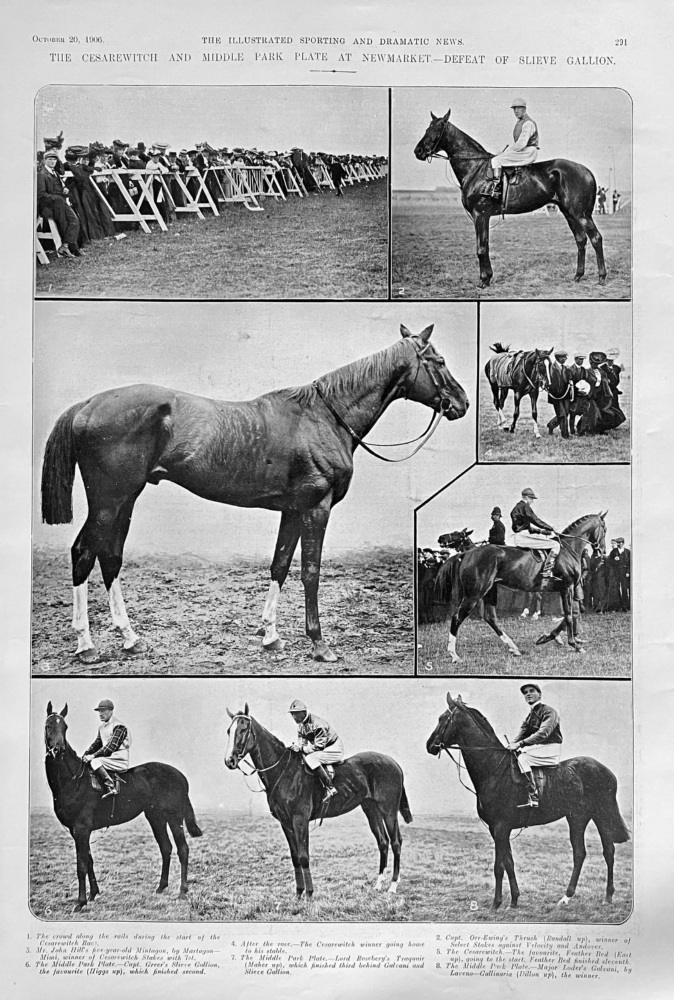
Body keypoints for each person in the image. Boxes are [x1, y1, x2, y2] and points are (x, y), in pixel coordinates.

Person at [507, 683, 562, 809]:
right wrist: (511, 745)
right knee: (515, 754)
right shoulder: (530, 715)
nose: (528, 694)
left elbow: (543, 733)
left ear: (540, 695)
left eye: (532, 691)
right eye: (525, 693)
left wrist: (520, 744)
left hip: (550, 747)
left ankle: (533, 796)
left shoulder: (549, 711)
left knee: (522, 759)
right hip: (538, 748)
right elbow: (521, 734)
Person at [288, 699, 344, 801]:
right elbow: (303, 745)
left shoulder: (318, 724)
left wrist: (300, 748)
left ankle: (330, 788)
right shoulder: (300, 726)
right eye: (292, 714)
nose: (294, 717)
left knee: (311, 759)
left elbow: (319, 746)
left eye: (296, 714)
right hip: (322, 748)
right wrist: (297, 748)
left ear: (304, 712)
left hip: (333, 748)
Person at [489, 98, 539, 197]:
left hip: (528, 151)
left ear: (524, 109)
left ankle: (497, 189)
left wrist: (505, 153)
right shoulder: (520, 122)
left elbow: (521, 144)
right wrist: (505, 152)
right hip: (525, 150)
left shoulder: (528, 123)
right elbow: (517, 144)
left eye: (519, 108)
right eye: (514, 109)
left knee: (496, 161)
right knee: (500, 158)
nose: (516, 111)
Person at [37, 149, 82, 258]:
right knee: (65, 222)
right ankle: (72, 248)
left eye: (54, 159)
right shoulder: (42, 174)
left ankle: (66, 246)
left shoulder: (55, 172)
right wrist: (58, 198)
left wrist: (64, 189)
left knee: (75, 220)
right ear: (44, 161)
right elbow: (41, 195)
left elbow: (60, 186)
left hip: (60, 203)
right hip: (49, 206)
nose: (52, 162)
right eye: (50, 159)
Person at [82, 699, 131, 797]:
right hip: (108, 758)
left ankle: (111, 786)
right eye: (99, 711)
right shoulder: (101, 728)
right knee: (89, 762)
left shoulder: (119, 726)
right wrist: (85, 754)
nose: (100, 713)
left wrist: (93, 756)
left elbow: (110, 748)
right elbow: (96, 744)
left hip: (118, 759)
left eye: (103, 710)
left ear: (111, 711)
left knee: (94, 762)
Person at [510, 487, 560, 580]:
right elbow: (535, 520)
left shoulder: (518, 507)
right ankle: (547, 571)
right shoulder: (524, 507)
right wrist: (551, 528)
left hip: (520, 535)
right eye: (532, 499)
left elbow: (525, 526)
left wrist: (541, 531)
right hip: (524, 537)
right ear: (527, 498)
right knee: (555, 545)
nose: (532, 501)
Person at [614, 537, 630, 611]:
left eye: (619, 543)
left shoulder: (627, 552)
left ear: (623, 543)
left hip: (624, 573)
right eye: (617, 543)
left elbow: (630, 563)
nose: (618, 544)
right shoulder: (614, 551)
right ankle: (618, 606)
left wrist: (628, 572)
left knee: (624, 589)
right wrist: (614, 560)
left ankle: (625, 606)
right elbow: (610, 561)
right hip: (616, 572)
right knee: (616, 589)